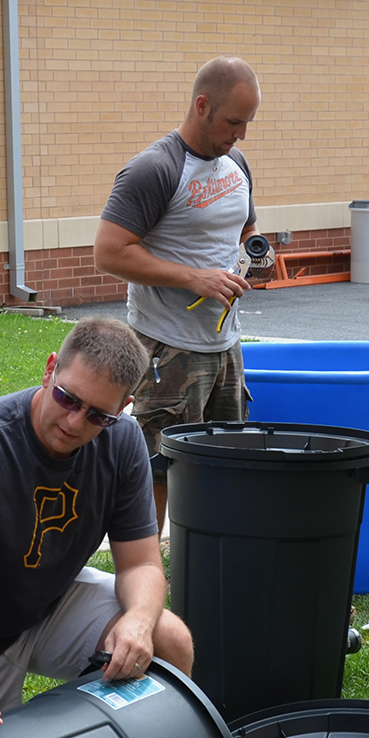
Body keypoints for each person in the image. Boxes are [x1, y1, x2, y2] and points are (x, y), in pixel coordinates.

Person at [0, 317, 194, 738]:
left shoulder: (123, 440)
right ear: (50, 369)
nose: (75, 423)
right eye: (68, 399)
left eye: (98, 416)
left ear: (124, 406)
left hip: (44, 605)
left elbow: (141, 564)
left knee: (168, 637)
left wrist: (139, 622)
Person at [95, 56, 261, 524]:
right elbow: (109, 252)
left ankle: (206, 565)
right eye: (233, 121)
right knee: (160, 471)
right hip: (167, 347)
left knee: (223, 462)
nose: (241, 134)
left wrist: (254, 254)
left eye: (248, 123)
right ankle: (149, 576)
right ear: (202, 105)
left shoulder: (237, 162)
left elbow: (244, 227)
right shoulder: (154, 168)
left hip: (225, 346)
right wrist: (195, 277)